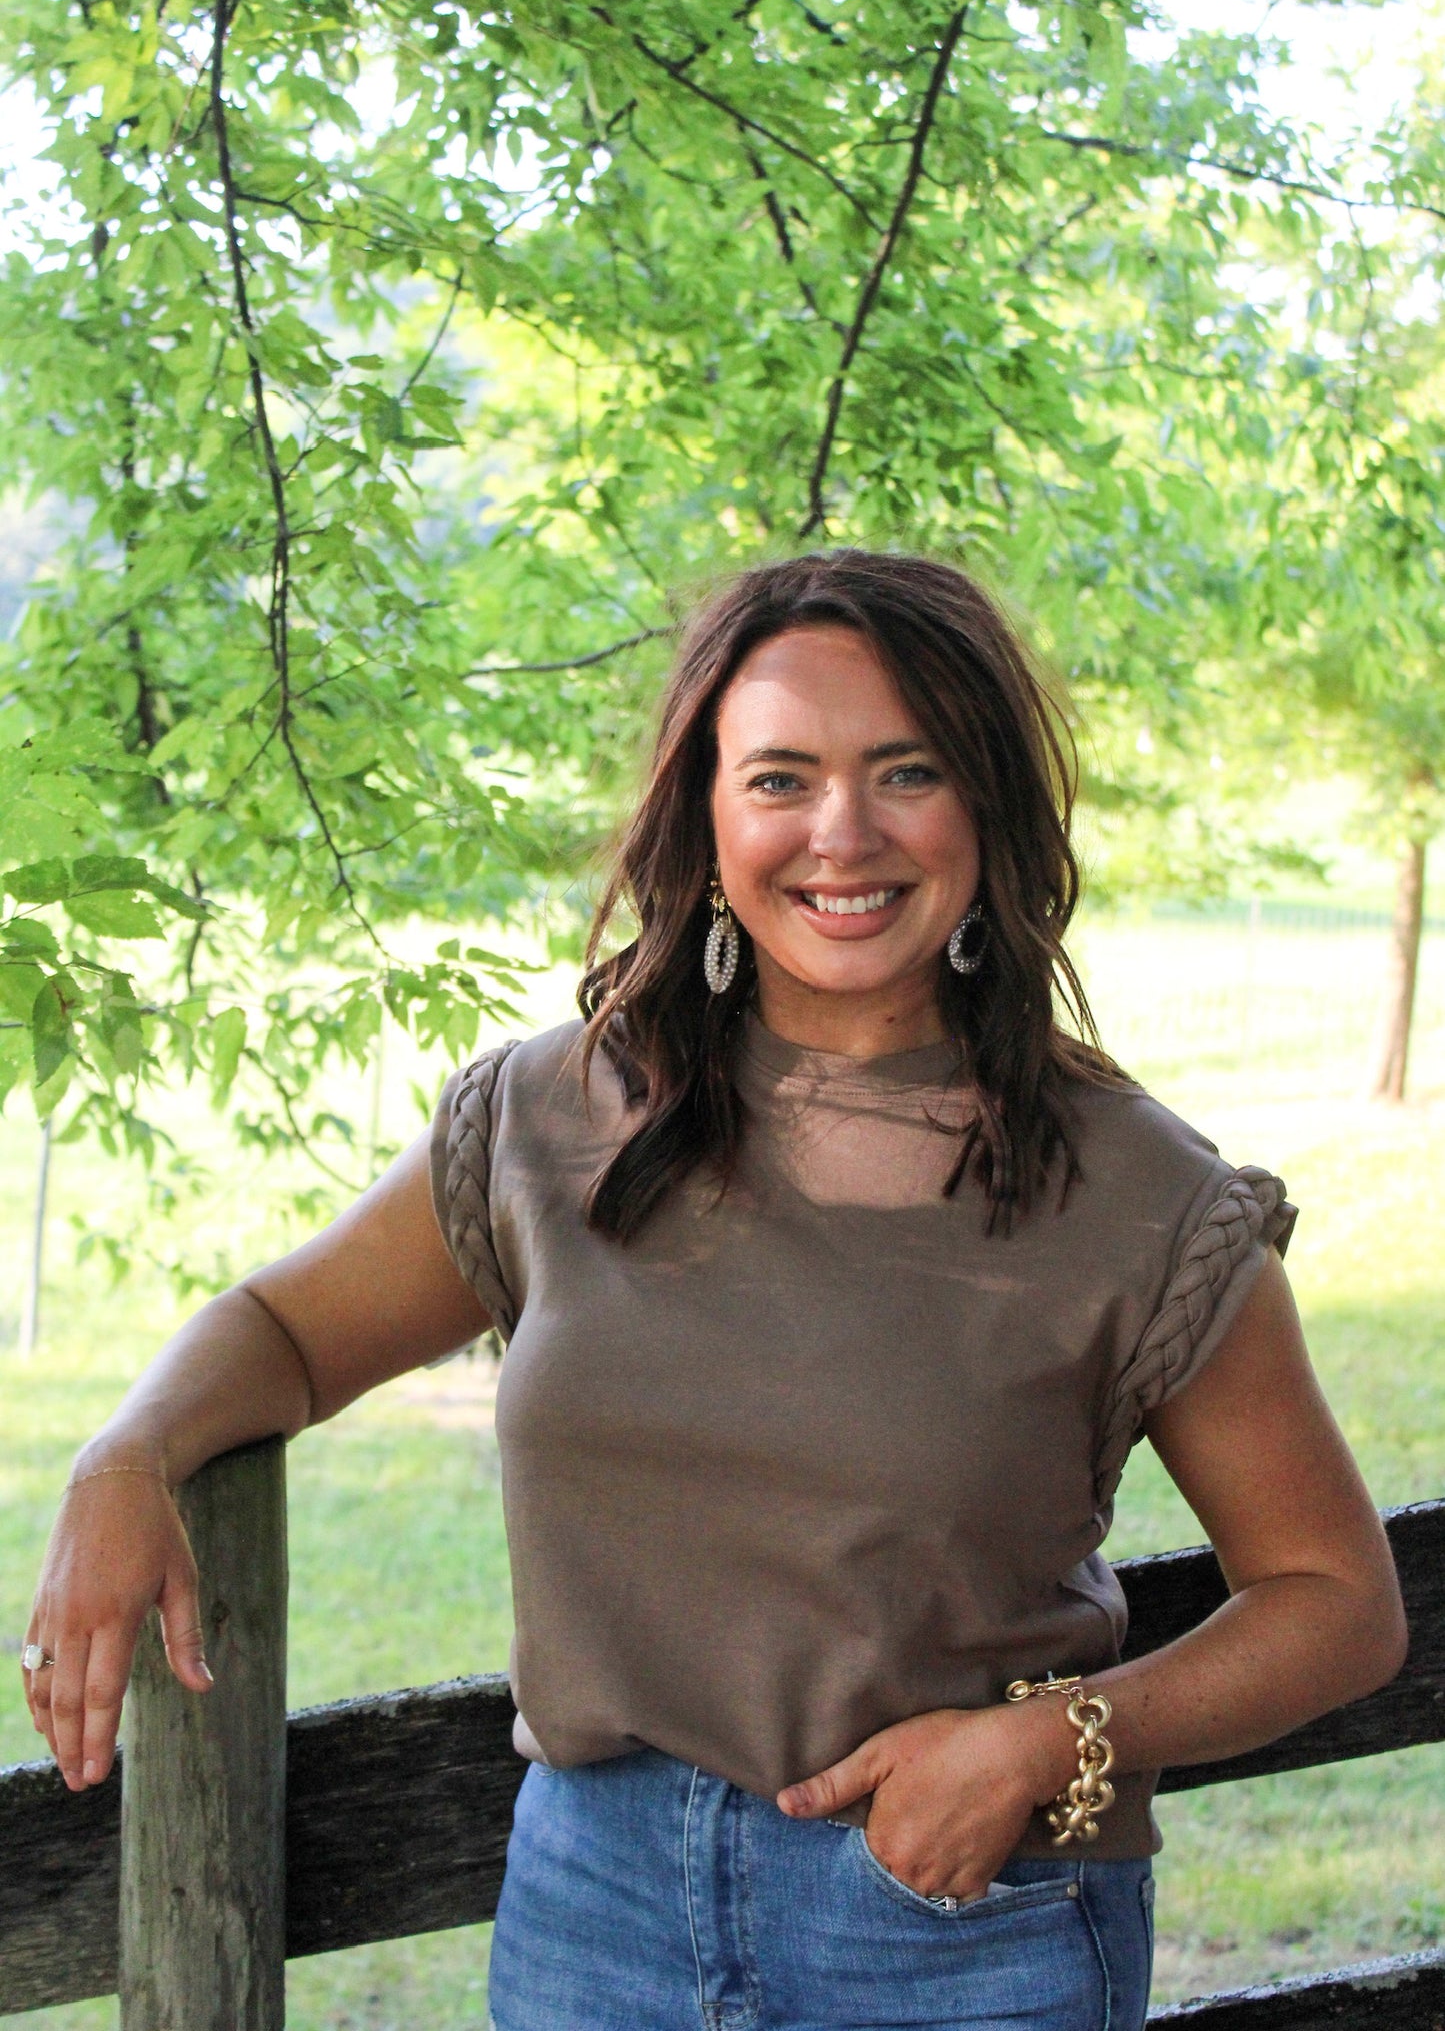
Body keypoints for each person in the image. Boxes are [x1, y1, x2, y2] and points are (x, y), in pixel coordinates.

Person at [24, 551, 1405, 2031]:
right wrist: (129, 1453)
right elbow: (286, 1334)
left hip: (953, 1923)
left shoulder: (1133, 1193)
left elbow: (1332, 1602)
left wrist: (1051, 1741)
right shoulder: (553, 1117)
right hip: (588, 1910)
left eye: (907, 771)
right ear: (704, 812)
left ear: (988, 805)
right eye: (779, 778)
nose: (842, 832)